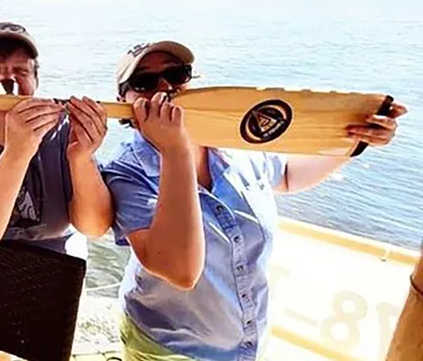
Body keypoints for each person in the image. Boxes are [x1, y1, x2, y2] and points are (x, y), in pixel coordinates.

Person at [100, 40, 408, 361]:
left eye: (177, 74)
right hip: (168, 348)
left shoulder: (235, 144)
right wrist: (175, 149)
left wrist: (356, 139)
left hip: (247, 341)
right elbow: (180, 271)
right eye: (145, 82)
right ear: (124, 101)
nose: (165, 87)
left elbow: (287, 175)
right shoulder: (127, 171)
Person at [0, 21, 113, 270]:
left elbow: (94, 228)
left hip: (55, 266)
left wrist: (82, 159)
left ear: (35, 82)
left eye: (21, 71)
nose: (6, 81)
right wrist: (16, 153)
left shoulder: (63, 132)